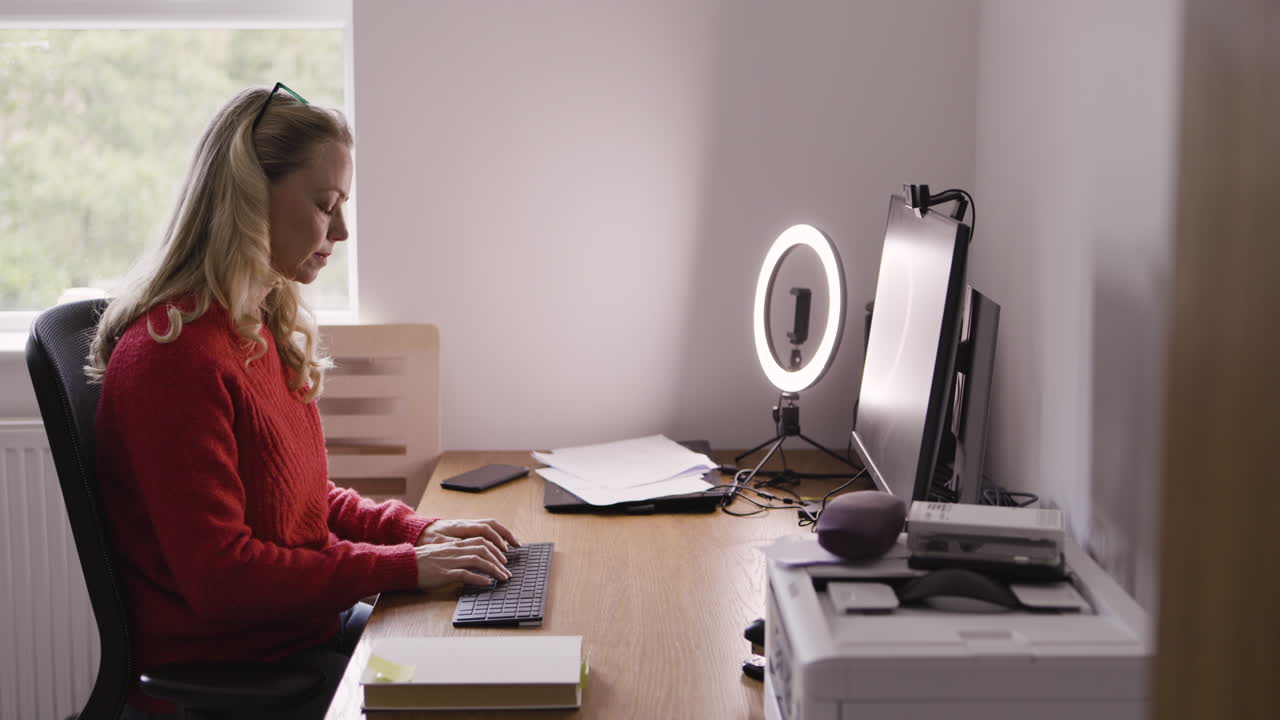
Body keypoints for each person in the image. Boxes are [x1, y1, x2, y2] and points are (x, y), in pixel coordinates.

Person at [88, 84, 518, 720]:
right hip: (243, 674)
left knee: (509, 665)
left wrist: (420, 532)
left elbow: (308, 507)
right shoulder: (172, 355)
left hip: (301, 638)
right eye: (325, 205)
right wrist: (405, 566)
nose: (341, 230)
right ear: (248, 199)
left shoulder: (253, 329)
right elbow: (223, 577)